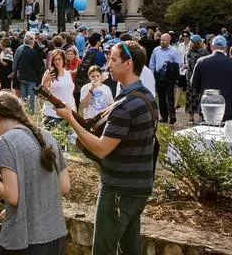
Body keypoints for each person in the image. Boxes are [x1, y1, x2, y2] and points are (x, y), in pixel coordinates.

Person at [56, 41, 158, 255]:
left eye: (113, 59)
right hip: (139, 188)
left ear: (128, 64)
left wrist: (70, 119)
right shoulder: (147, 97)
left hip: (118, 190)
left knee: (104, 250)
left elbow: (102, 149)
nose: (108, 65)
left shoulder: (126, 106)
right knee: (131, 250)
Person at [0, 92, 70, 254]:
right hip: (56, 236)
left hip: (25, 240)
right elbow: (64, 187)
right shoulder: (48, 137)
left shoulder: (7, 141)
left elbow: (13, 197)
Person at [191, 36, 232, 122]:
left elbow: (194, 84)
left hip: (207, 106)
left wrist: (203, 91)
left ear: (211, 47)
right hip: (228, 107)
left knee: (207, 132)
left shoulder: (201, 61)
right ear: (226, 48)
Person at [149, 33, 182, 125]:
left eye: (164, 40)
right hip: (159, 75)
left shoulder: (174, 51)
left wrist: (171, 68)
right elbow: (152, 62)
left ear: (169, 40)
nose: (162, 42)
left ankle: (172, 115)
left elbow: (179, 63)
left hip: (169, 76)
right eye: (161, 40)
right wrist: (152, 74)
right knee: (161, 97)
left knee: (170, 96)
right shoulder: (156, 50)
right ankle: (164, 116)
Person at [41, 49, 75, 127]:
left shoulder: (68, 73)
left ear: (63, 60)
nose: (57, 62)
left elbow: (70, 94)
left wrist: (74, 109)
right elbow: (42, 92)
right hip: (52, 113)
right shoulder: (49, 73)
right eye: (55, 60)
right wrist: (46, 82)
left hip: (68, 113)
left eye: (59, 59)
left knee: (68, 138)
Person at [14, 33, 44, 113]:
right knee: (31, 99)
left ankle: (24, 113)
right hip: (31, 78)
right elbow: (36, 66)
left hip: (22, 77)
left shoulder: (20, 50)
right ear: (32, 42)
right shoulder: (33, 52)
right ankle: (31, 115)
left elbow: (16, 63)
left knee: (24, 98)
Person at [183, 35, 207, 124]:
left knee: (191, 97)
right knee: (201, 96)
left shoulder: (189, 52)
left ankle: (191, 117)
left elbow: (189, 65)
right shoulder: (203, 52)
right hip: (201, 77)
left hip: (190, 77)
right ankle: (202, 116)